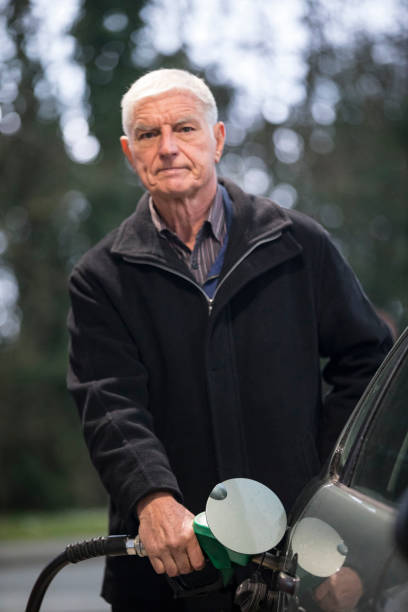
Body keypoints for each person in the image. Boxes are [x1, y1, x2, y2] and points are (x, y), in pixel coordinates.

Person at [67, 68, 393, 611]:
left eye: (185, 128)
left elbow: (368, 361)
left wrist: (327, 494)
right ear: (130, 152)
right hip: (169, 565)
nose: (168, 147)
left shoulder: (297, 243)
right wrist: (152, 497)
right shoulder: (101, 276)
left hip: (300, 550)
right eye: (149, 134)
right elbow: (108, 401)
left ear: (216, 139)